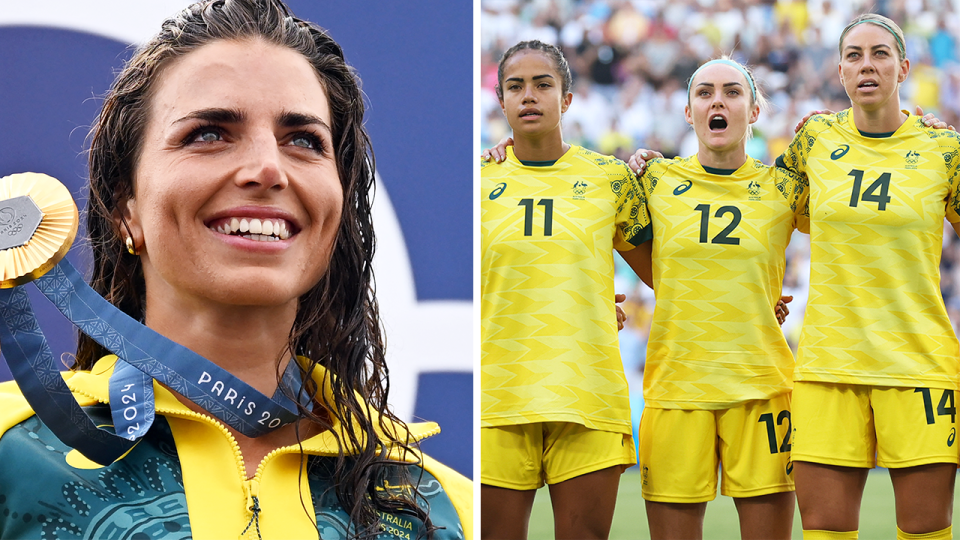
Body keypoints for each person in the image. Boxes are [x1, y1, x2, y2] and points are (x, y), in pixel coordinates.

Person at [0, 1, 470, 539]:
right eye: (209, 133)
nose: (269, 168)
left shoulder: (449, 506)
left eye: (303, 140)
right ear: (124, 208)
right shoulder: (12, 449)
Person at [774, 13, 960, 540]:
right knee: (826, 531)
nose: (867, 65)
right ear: (839, 72)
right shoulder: (814, 139)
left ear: (903, 68)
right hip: (830, 363)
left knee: (925, 531)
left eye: (880, 53)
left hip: (918, 364)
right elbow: (754, 203)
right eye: (854, 56)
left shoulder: (944, 149)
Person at [625, 58, 808, 540]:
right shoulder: (655, 181)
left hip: (762, 389)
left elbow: (861, 219)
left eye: (732, 92)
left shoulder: (785, 187)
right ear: (689, 112)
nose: (718, 101)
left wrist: (918, 124)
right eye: (705, 93)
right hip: (676, 390)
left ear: (754, 110)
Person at [480, 39, 651, 540]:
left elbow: (668, 273)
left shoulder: (611, 178)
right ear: (501, 100)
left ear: (567, 98)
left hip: (586, 393)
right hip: (499, 396)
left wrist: (752, 294)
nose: (528, 96)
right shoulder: (478, 180)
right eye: (516, 86)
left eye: (542, 84)